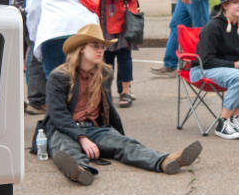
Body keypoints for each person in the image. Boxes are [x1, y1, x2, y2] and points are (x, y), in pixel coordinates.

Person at [44, 24, 202, 185]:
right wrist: (82, 138)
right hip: (66, 129)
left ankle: (165, 161)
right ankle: (79, 171)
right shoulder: (59, 76)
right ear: (82, 49)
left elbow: (107, 108)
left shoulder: (104, 72)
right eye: (95, 46)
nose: (100, 50)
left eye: (102, 47)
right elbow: (58, 115)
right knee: (64, 147)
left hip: (94, 128)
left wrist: (118, 135)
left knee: (126, 144)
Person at [191, 0, 239, 139]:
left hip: (226, 69)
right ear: (225, 6)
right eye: (236, 2)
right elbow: (206, 60)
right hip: (201, 70)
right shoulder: (213, 27)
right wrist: (236, 65)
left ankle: (234, 118)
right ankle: (222, 123)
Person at [89, 0, 146, 108]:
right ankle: (104, 92)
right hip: (102, 19)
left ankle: (125, 91)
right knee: (104, 56)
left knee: (123, 56)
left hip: (122, 18)